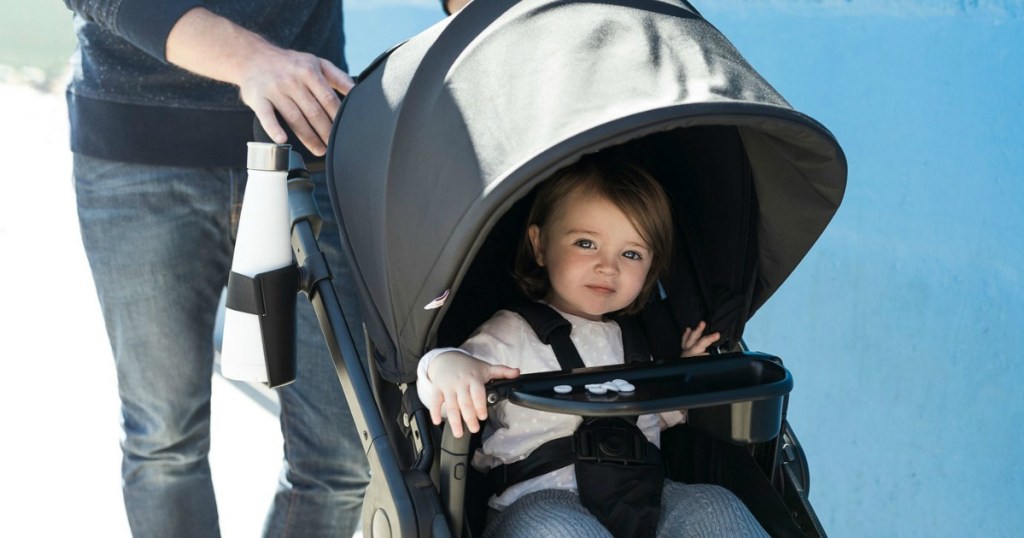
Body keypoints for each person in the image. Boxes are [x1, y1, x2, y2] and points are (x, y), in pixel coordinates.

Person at [64, 2, 369, 536]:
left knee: (344, 460)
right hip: (137, 149)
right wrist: (252, 60)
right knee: (163, 443)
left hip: (308, 146)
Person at [416, 156, 769, 537]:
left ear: (651, 268)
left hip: (644, 498)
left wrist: (687, 372)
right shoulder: (511, 332)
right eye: (586, 244)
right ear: (540, 245)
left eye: (631, 254)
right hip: (539, 501)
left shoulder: (635, 342)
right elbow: (441, 377)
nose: (608, 267)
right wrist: (444, 366)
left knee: (715, 507)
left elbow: (654, 418)